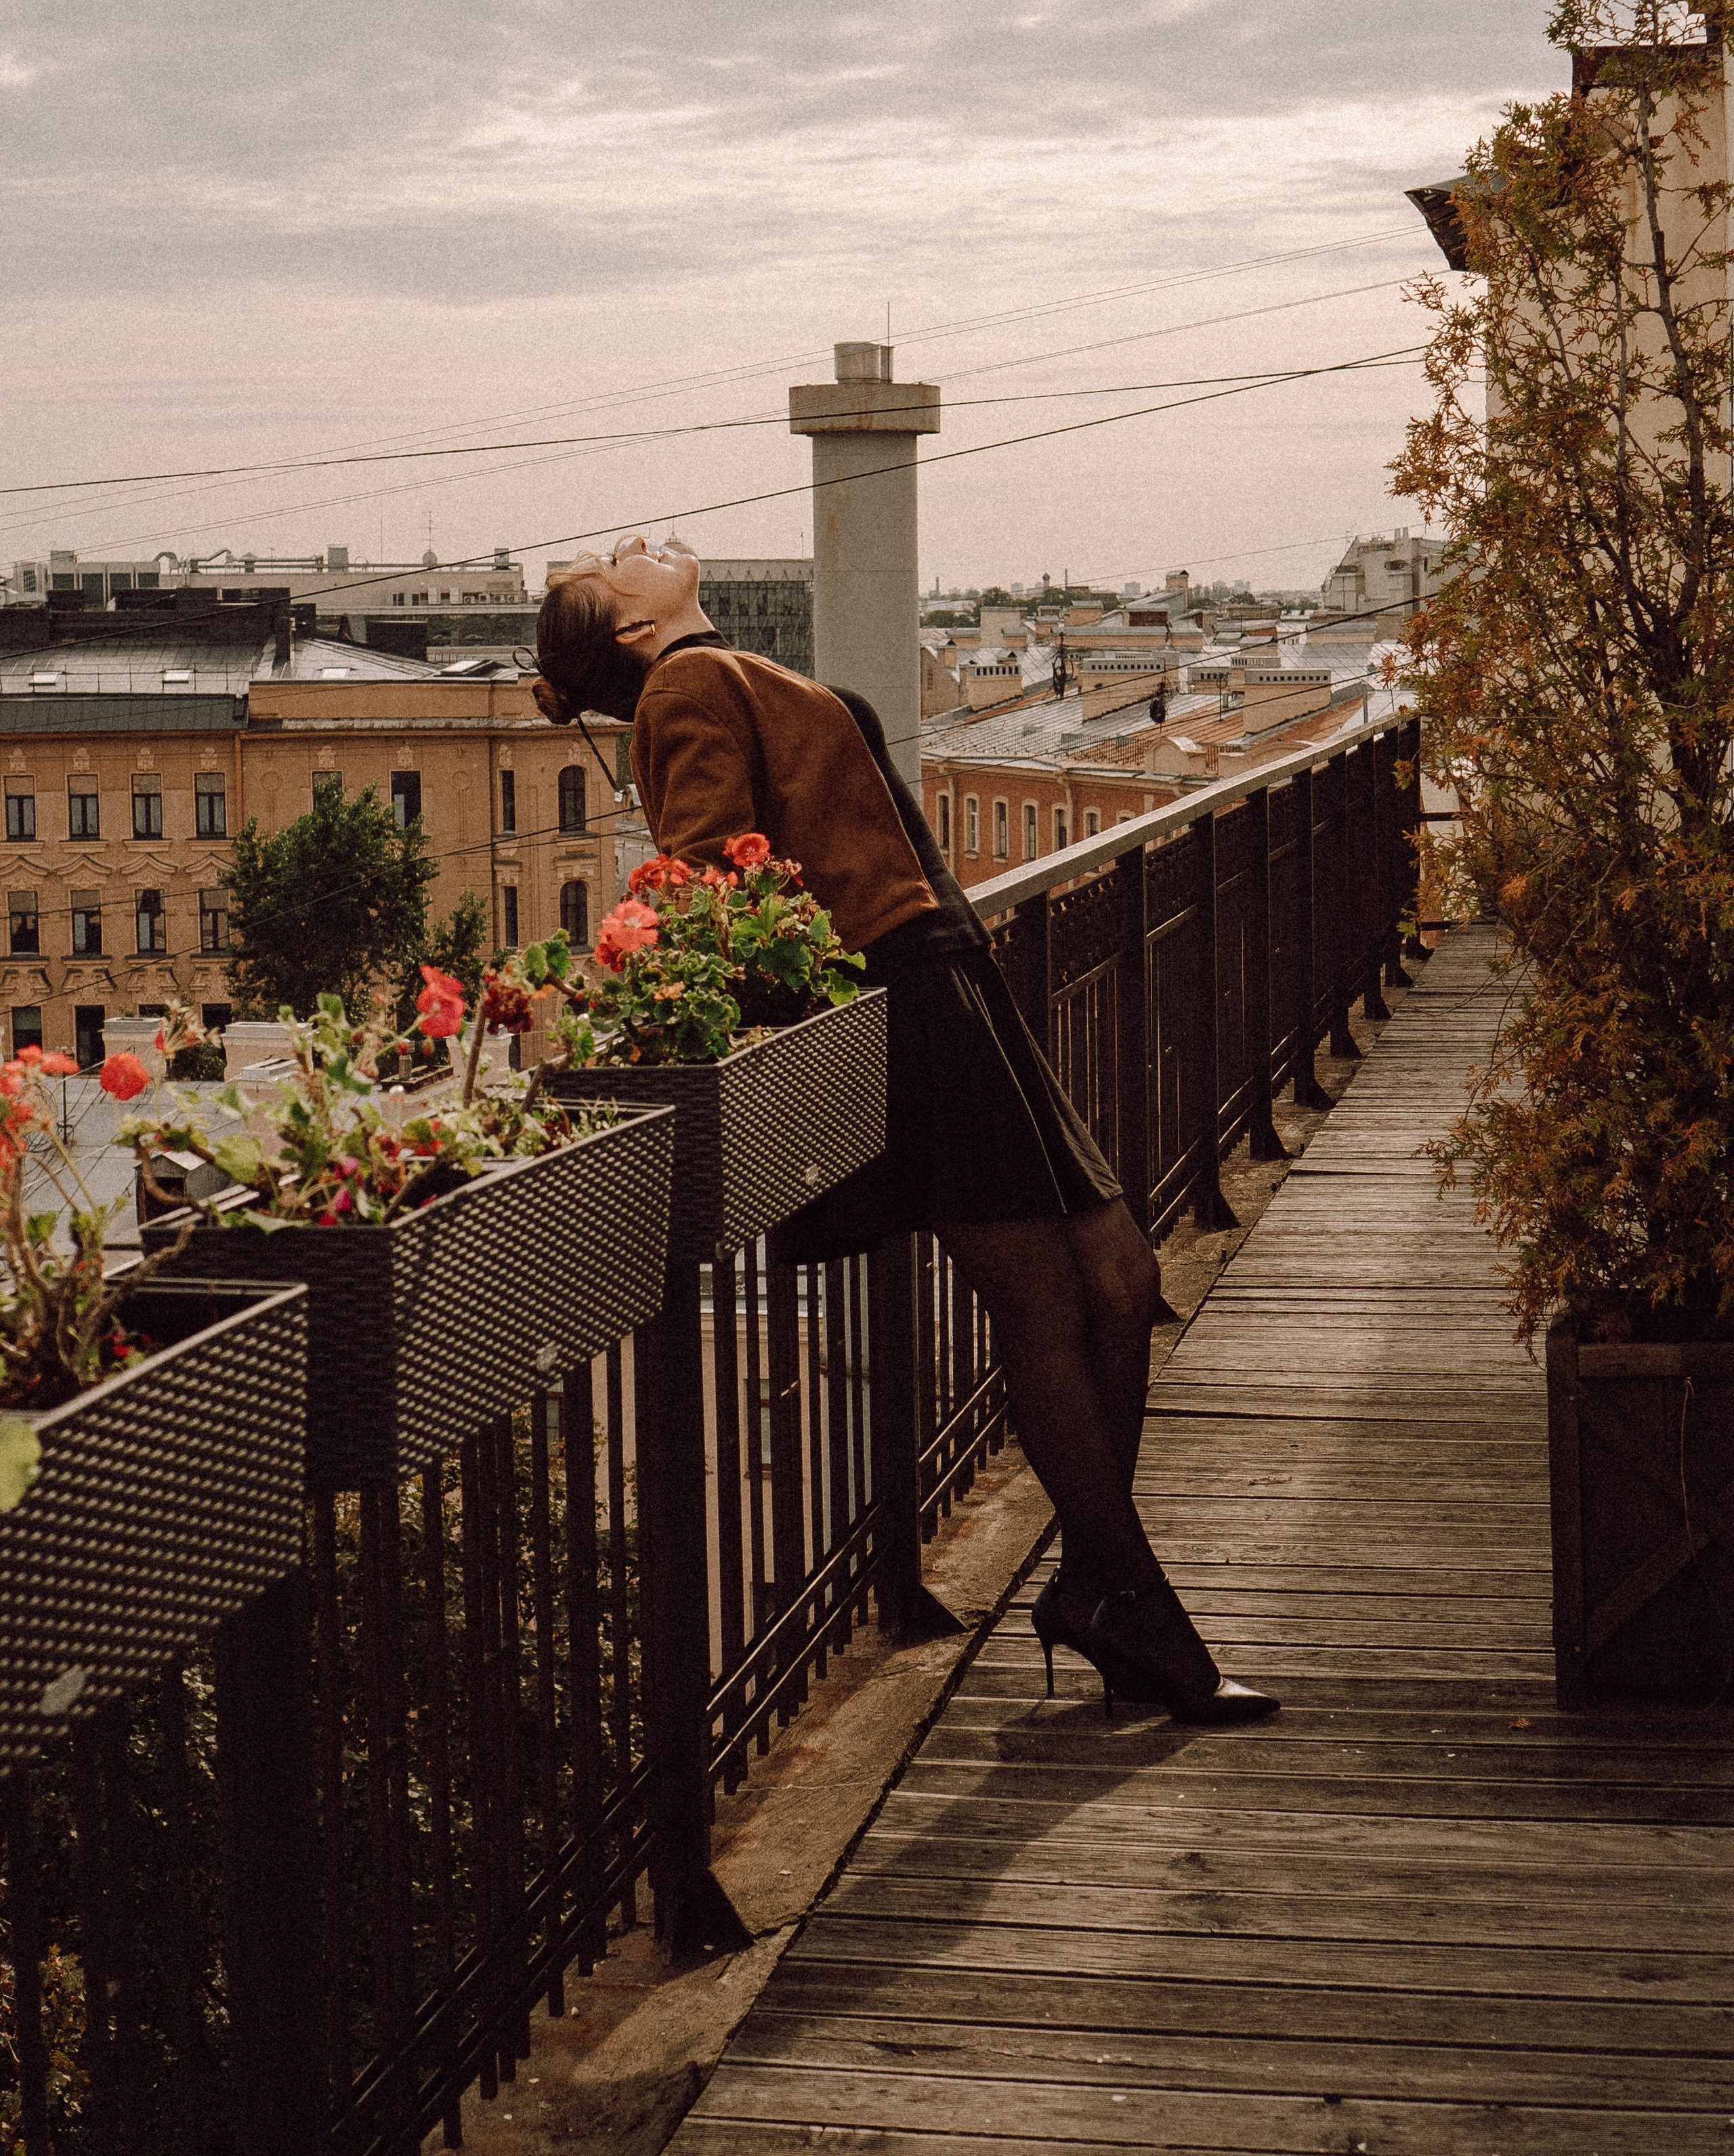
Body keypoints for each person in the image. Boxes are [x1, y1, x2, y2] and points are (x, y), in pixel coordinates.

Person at [529, 532, 1276, 1725]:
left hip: (955, 978)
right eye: (614, 567)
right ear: (631, 631)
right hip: (910, 997)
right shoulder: (683, 684)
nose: (632, 547)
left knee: (1121, 1279)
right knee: (1048, 1304)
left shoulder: (727, 670)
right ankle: (1143, 1616)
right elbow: (709, 872)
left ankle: (1094, 1582)